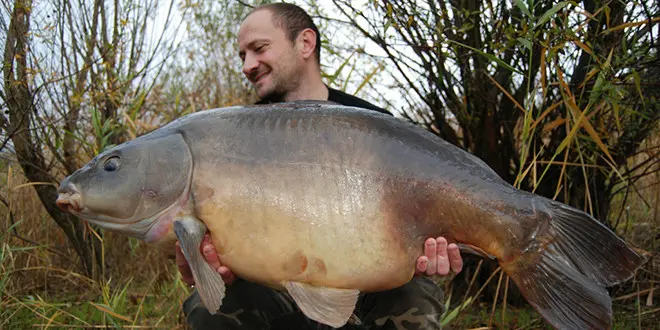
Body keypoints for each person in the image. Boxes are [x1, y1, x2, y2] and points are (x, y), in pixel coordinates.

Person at [176, 3, 463, 329]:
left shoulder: (376, 129)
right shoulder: (233, 138)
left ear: (305, 43)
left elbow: (424, 220)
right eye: (242, 55)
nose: (247, 65)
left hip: (367, 282)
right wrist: (203, 265)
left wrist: (431, 255)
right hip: (274, 285)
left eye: (259, 49)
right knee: (209, 308)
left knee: (414, 297)